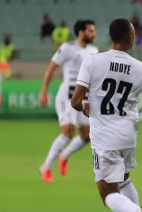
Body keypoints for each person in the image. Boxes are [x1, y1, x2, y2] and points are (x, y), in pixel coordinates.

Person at [70, 18, 142, 212]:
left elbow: (75, 100)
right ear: (131, 38)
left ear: (110, 38)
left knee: (108, 195)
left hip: (104, 138)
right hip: (128, 136)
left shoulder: (92, 62)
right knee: (124, 179)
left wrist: (83, 106)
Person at [38, 20, 99, 182]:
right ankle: (45, 168)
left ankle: (64, 155)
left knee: (87, 135)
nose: (94, 34)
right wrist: (44, 92)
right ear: (81, 32)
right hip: (67, 96)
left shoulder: (94, 50)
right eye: (91, 31)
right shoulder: (67, 48)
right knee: (68, 131)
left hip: (84, 96)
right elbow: (50, 70)